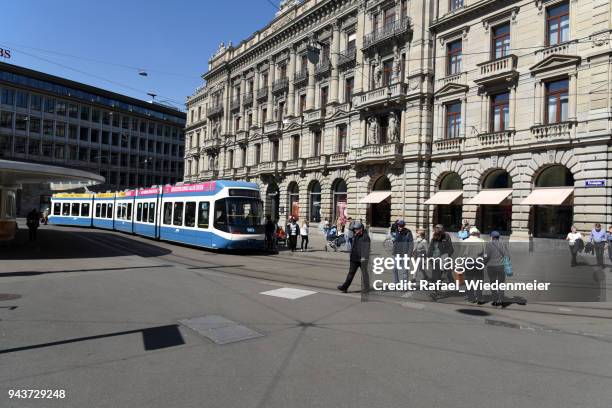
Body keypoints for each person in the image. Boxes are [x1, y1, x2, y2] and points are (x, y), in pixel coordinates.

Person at [337, 222, 371, 295]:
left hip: (362, 259)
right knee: (351, 273)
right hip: (354, 258)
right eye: (355, 229)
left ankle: (367, 288)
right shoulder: (356, 235)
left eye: (356, 229)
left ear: (361, 229)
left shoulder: (366, 237)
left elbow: (367, 249)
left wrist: (364, 257)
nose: (355, 230)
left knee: (364, 274)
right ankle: (344, 287)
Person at [461, 227, 487, 304]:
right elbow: (485, 254)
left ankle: (471, 297)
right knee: (479, 280)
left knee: (469, 280)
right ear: (477, 233)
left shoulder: (465, 241)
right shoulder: (482, 241)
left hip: (468, 261)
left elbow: (462, 254)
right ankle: (479, 297)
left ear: (470, 233)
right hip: (479, 262)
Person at [485, 231, 509, 306]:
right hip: (501, 266)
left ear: (492, 237)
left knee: (493, 283)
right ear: (499, 237)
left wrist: (484, 262)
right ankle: (500, 300)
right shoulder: (503, 244)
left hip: (491, 267)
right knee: (501, 284)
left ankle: (495, 300)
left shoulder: (488, 245)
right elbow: (507, 256)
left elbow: (486, 256)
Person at [392, 220, 413, 284]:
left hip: (405, 255)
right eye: (398, 226)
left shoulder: (408, 233)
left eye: (401, 226)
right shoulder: (396, 231)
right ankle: (396, 282)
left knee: (404, 271)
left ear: (403, 226)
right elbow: (393, 225)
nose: (399, 227)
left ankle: (404, 286)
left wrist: (409, 255)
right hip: (397, 254)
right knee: (394, 269)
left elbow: (411, 245)